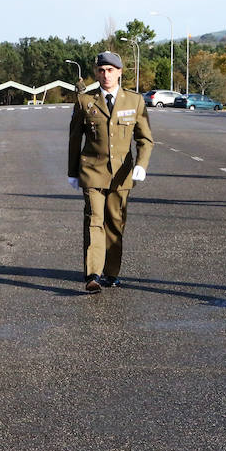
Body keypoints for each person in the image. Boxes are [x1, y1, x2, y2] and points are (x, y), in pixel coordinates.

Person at [67, 51, 153, 293]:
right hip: (92, 171)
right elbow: (75, 139)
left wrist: (141, 165)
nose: (106, 75)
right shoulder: (85, 101)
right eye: (101, 70)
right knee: (95, 220)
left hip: (122, 174)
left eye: (110, 70)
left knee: (115, 223)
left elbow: (145, 139)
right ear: (97, 73)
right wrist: (72, 172)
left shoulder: (134, 101)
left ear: (119, 72)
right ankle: (93, 273)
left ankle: (111, 273)